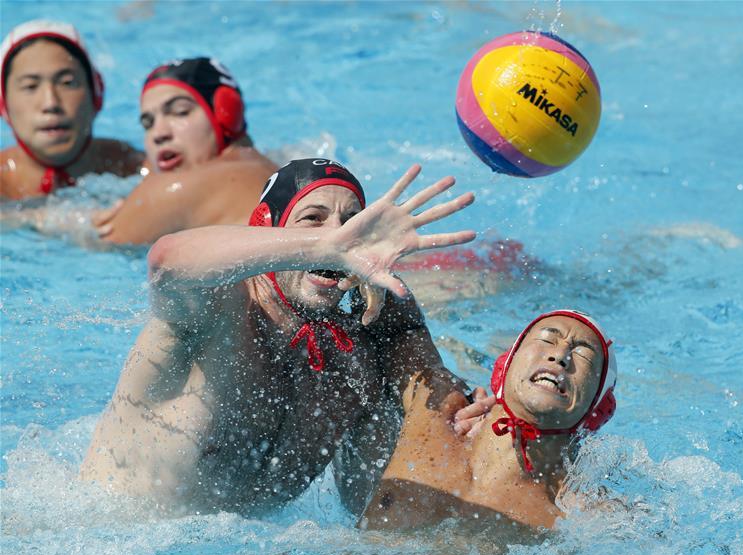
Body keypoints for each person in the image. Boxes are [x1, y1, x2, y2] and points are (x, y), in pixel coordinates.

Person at [79, 158, 477, 516]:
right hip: (106, 543)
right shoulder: (219, 311)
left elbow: (373, 505)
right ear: (267, 227)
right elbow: (167, 262)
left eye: (351, 223)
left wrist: (459, 413)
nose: (338, 236)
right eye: (313, 219)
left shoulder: (353, 355)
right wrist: (322, 247)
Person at [360, 309, 618, 530]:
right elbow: (398, 324)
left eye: (583, 356)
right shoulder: (436, 407)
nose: (561, 356)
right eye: (547, 340)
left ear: (596, 409)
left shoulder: (577, 513)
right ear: (505, 365)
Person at [93, 57, 277, 244]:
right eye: (148, 124)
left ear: (227, 114)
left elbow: (99, 239)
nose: (159, 134)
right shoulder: (269, 166)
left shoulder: (176, 190)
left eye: (180, 112)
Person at [0, 20, 143, 199]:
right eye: (30, 86)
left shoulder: (130, 167)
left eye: (67, 83)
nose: (50, 103)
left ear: (96, 95)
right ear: (3, 104)